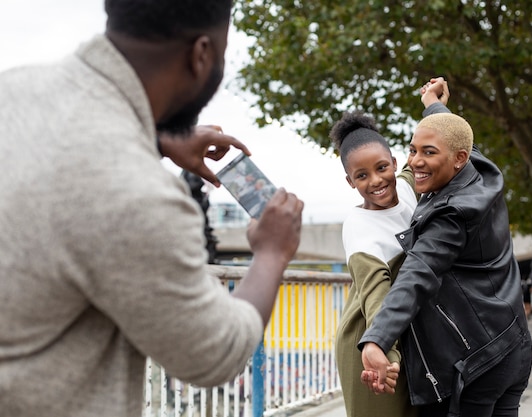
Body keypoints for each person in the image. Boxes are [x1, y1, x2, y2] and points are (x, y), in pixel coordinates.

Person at [0, 1, 304, 416]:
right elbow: (214, 353)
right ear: (201, 55)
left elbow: (62, 163)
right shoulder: (137, 193)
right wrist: (272, 252)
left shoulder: (15, 87)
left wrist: (151, 138)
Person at [358, 78, 532, 417]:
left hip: (480, 361)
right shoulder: (481, 170)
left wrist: (377, 338)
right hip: (512, 342)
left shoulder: (451, 215)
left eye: (428, 153)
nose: (415, 162)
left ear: (458, 159)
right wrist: (433, 104)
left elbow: (417, 274)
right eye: (412, 149)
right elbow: (453, 136)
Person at [330, 110, 421, 416]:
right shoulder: (360, 227)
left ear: (395, 163)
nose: (377, 181)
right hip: (368, 343)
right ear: (349, 181)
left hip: (404, 334)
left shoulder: (408, 187)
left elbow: (430, 146)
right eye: (362, 175)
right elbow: (375, 297)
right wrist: (383, 347)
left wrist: (433, 105)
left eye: (382, 167)